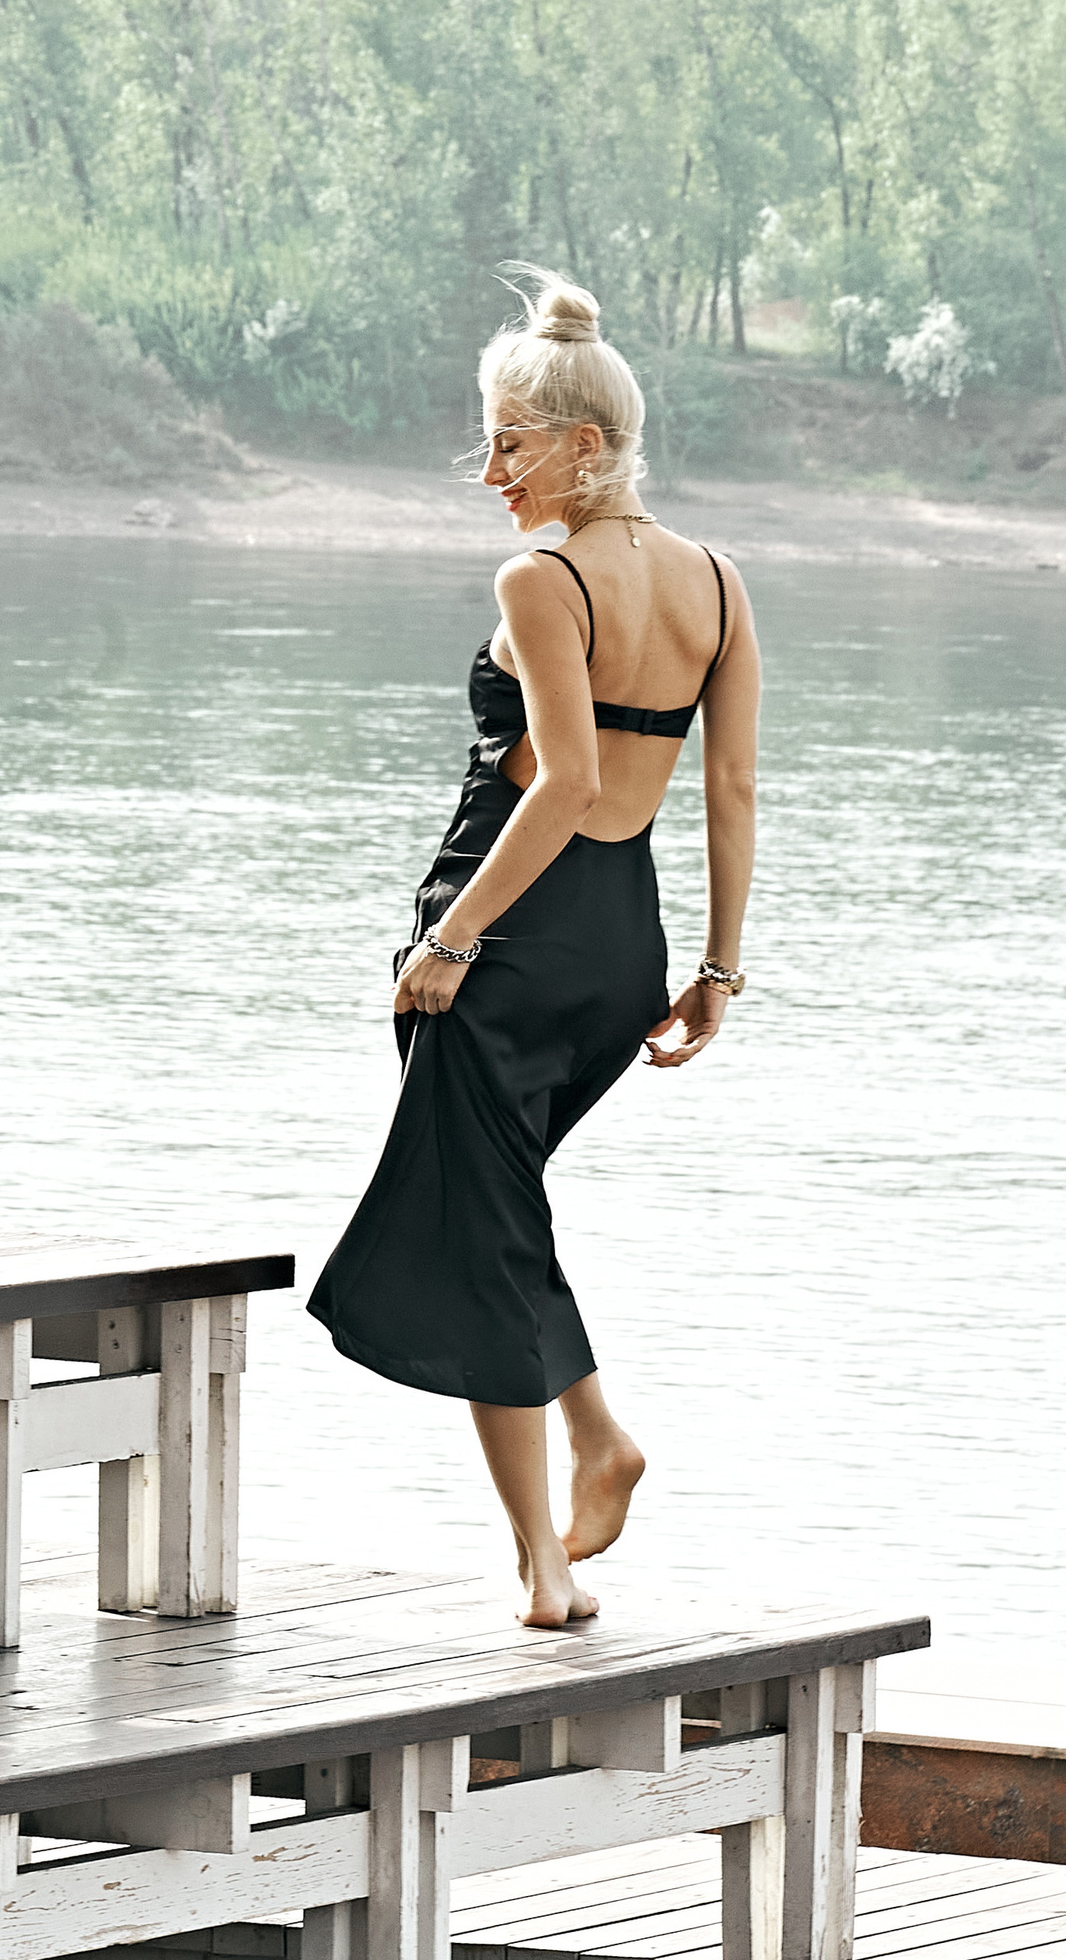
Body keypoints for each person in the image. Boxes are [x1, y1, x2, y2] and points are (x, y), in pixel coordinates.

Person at [307, 270, 760, 1629]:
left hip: (510, 930)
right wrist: (717, 973)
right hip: (623, 943)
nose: (490, 468)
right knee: (493, 1213)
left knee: (476, 1223)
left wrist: (453, 936)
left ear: (584, 444)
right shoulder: (718, 586)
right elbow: (730, 792)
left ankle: (563, 1526)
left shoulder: (543, 576)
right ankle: (573, 1483)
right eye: (487, 439)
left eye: (510, 440)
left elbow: (559, 784)